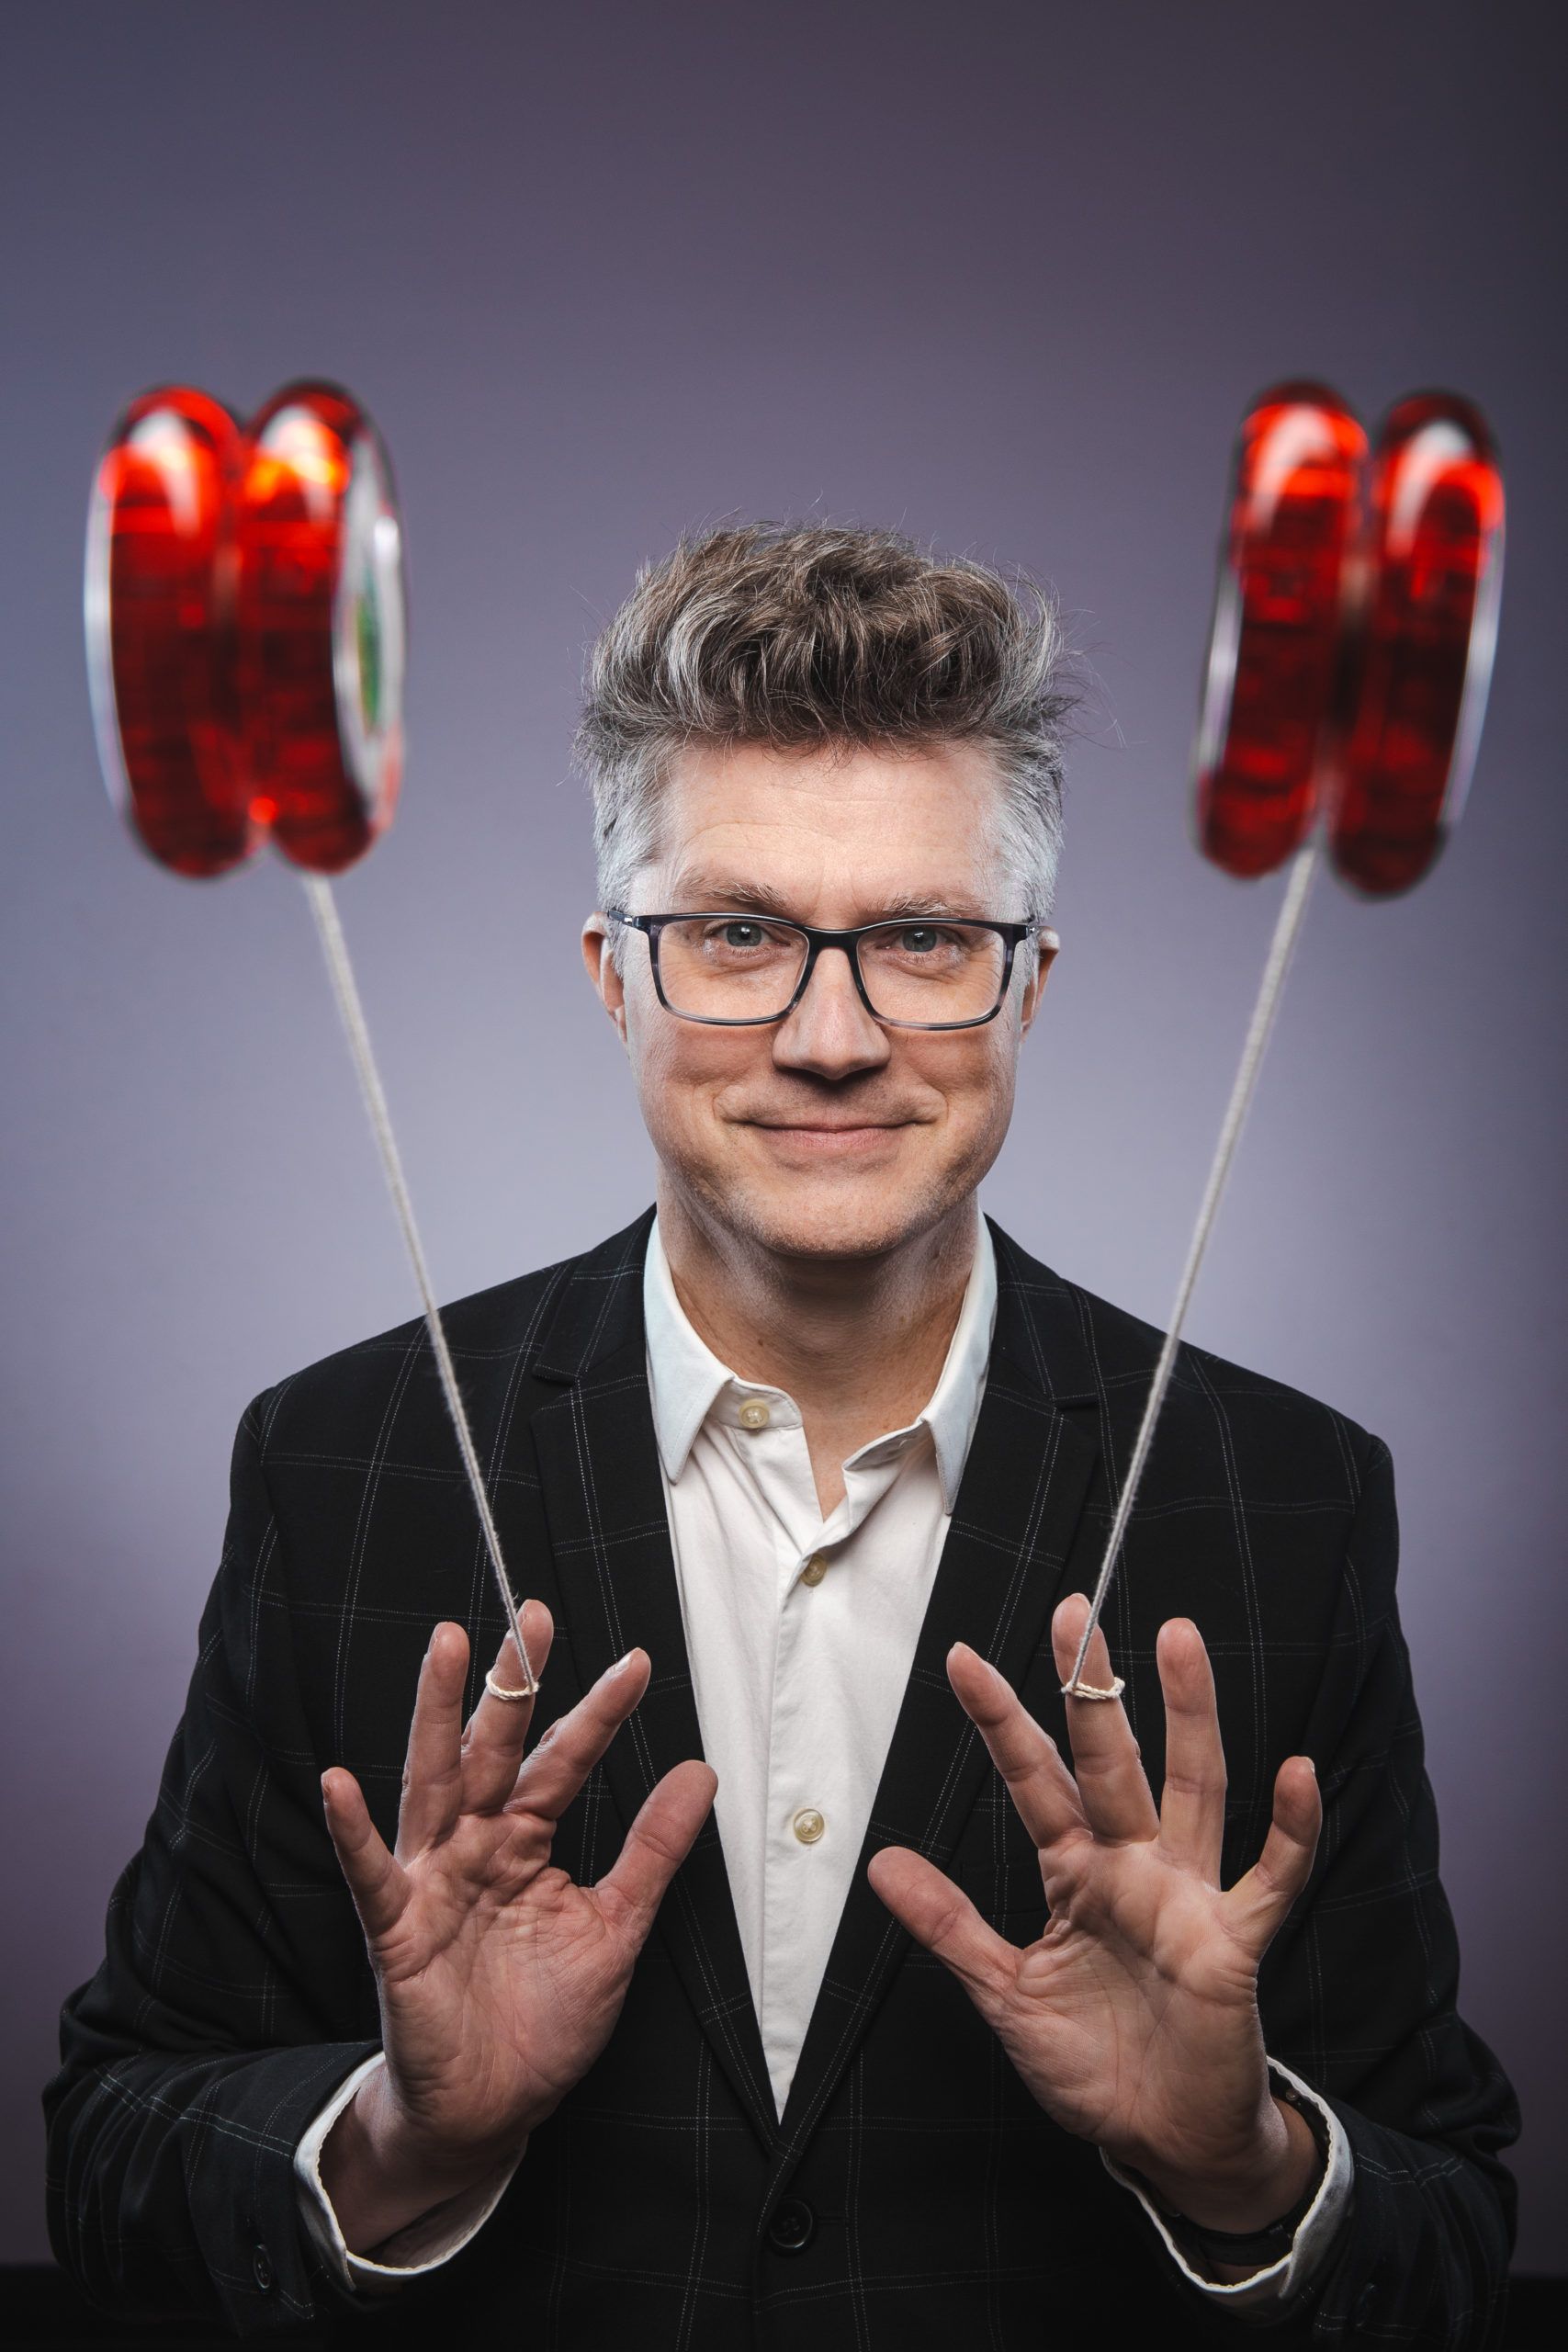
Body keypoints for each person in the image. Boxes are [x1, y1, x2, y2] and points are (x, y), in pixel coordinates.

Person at [46, 525, 1517, 2347]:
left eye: (917, 936)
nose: (829, 1034)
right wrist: (402, 2133)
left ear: (1030, 983)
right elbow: (111, 2146)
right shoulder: (343, 1464)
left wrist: (1239, 2161)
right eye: (735, 931)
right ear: (611, 972)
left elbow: (1450, 2225)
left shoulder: (1282, 1496)